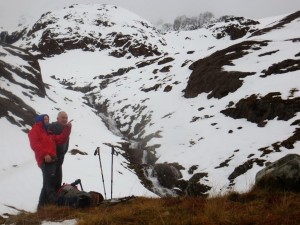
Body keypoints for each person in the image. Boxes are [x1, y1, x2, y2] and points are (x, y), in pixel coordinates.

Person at [28, 114, 72, 208]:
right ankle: (56, 204)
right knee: (49, 185)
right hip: (45, 161)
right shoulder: (35, 130)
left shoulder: (49, 132)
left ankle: (42, 208)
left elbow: (61, 139)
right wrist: (45, 154)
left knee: (47, 184)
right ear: (39, 120)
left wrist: (67, 129)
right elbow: (35, 145)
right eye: (44, 119)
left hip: (53, 160)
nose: (47, 121)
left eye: (48, 119)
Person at [48, 111, 71, 191]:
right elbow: (56, 141)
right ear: (57, 118)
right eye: (63, 118)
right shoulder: (52, 127)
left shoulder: (66, 128)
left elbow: (65, 145)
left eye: (66, 118)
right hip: (52, 160)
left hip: (59, 161)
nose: (65, 119)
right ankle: (46, 202)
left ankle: (55, 202)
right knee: (49, 184)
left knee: (58, 183)